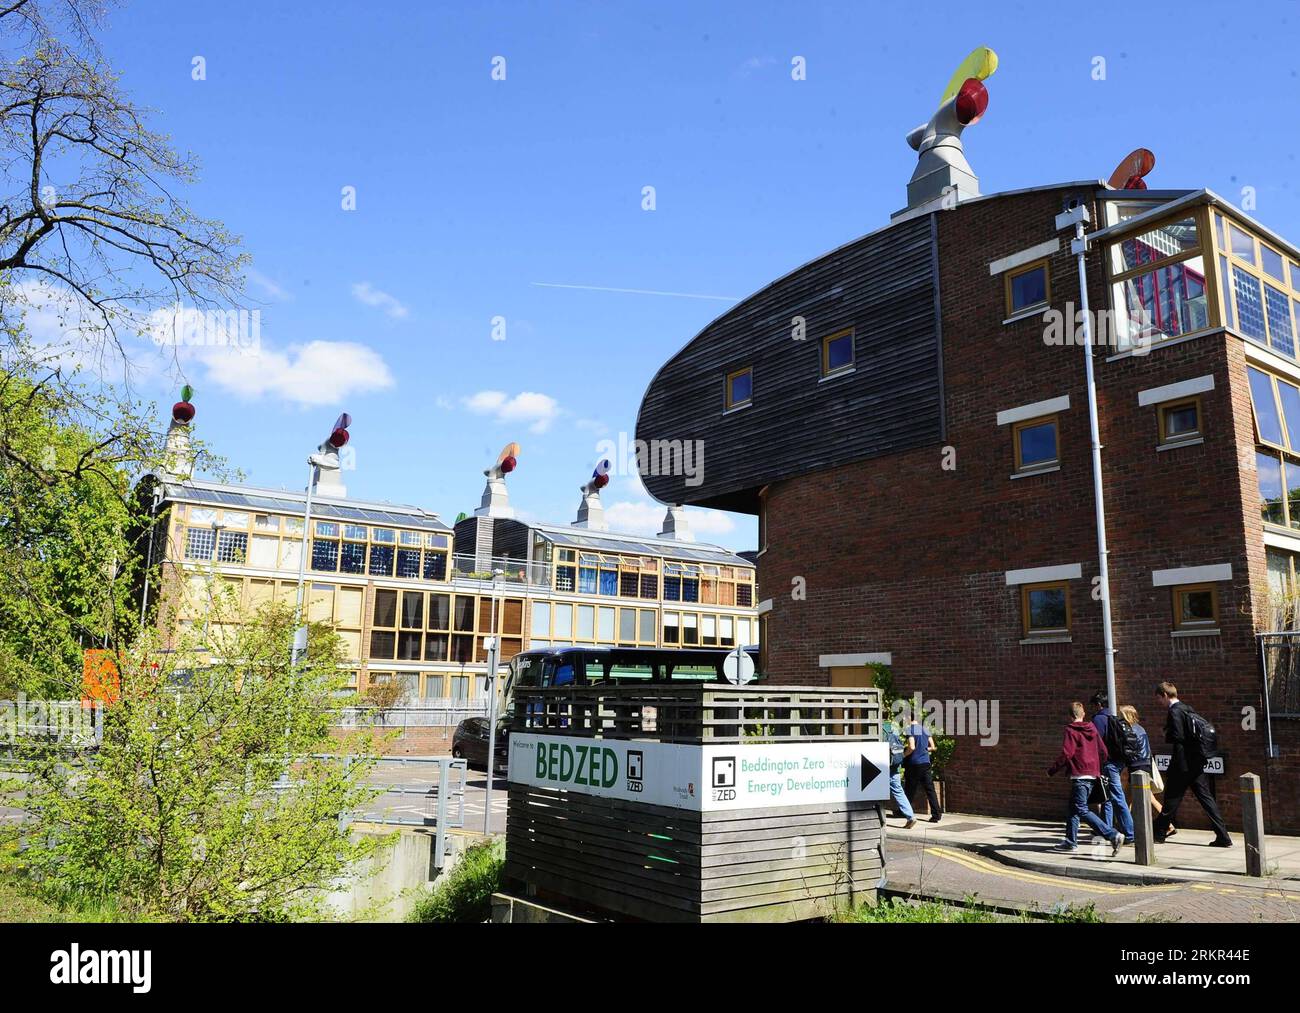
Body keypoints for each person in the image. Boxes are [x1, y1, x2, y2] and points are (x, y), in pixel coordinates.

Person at [1152, 682, 1232, 847]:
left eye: (1159, 698)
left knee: (1171, 800)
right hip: (1196, 762)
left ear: (1165, 695)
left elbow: (1179, 737)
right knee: (1206, 799)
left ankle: (1159, 833)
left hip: (1183, 764)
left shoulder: (1174, 711)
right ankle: (1223, 836)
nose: (1159, 702)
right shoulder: (1187, 708)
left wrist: (1166, 733)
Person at [1048, 702, 1124, 854]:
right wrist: (1096, 767)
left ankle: (1112, 834)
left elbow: (1067, 754)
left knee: (1081, 809)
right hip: (1092, 774)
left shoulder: (1070, 730)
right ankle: (1070, 841)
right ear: (1083, 714)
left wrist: (1052, 770)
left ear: (1070, 716)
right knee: (1073, 808)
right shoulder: (1092, 728)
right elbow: (1103, 751)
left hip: (1079, 775)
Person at [1119, 703, 1172, 834]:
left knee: (1148, 798)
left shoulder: (1129, 730)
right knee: (1127, 798)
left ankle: (1169, 825)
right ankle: (1125, 827)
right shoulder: (1140, 728)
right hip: (1145, 764)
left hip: (1137, 766)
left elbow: (1128, 750)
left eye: (1121, 716)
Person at [1090, 691, 1135, 844]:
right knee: (1107, 797)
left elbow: (1096, 743)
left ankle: (1130, 833)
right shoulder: (1114, 717)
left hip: (1109, 763)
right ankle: (1106, 830)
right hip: (1119, 761)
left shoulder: (1099, 719)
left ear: (1099, 704)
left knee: (1116, 796)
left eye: (1094, 705)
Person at [904, 718, 942, 823]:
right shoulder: (925, 729)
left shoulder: (909, 730)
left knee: (909, 789)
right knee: (930, 790)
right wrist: (925, 749)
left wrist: (903, 755)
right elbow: (933, 747)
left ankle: (903, 812)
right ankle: (936, 815)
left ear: (908, 718)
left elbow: (911, 747)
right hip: (926, 763)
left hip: (914, 764)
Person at [883, 717, 916, 829]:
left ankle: (878, 818)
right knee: (899, 791)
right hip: (895, 766)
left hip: (881, 765)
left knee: (875, 792)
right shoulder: (894, 727)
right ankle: (910, 816)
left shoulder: (877, 727)